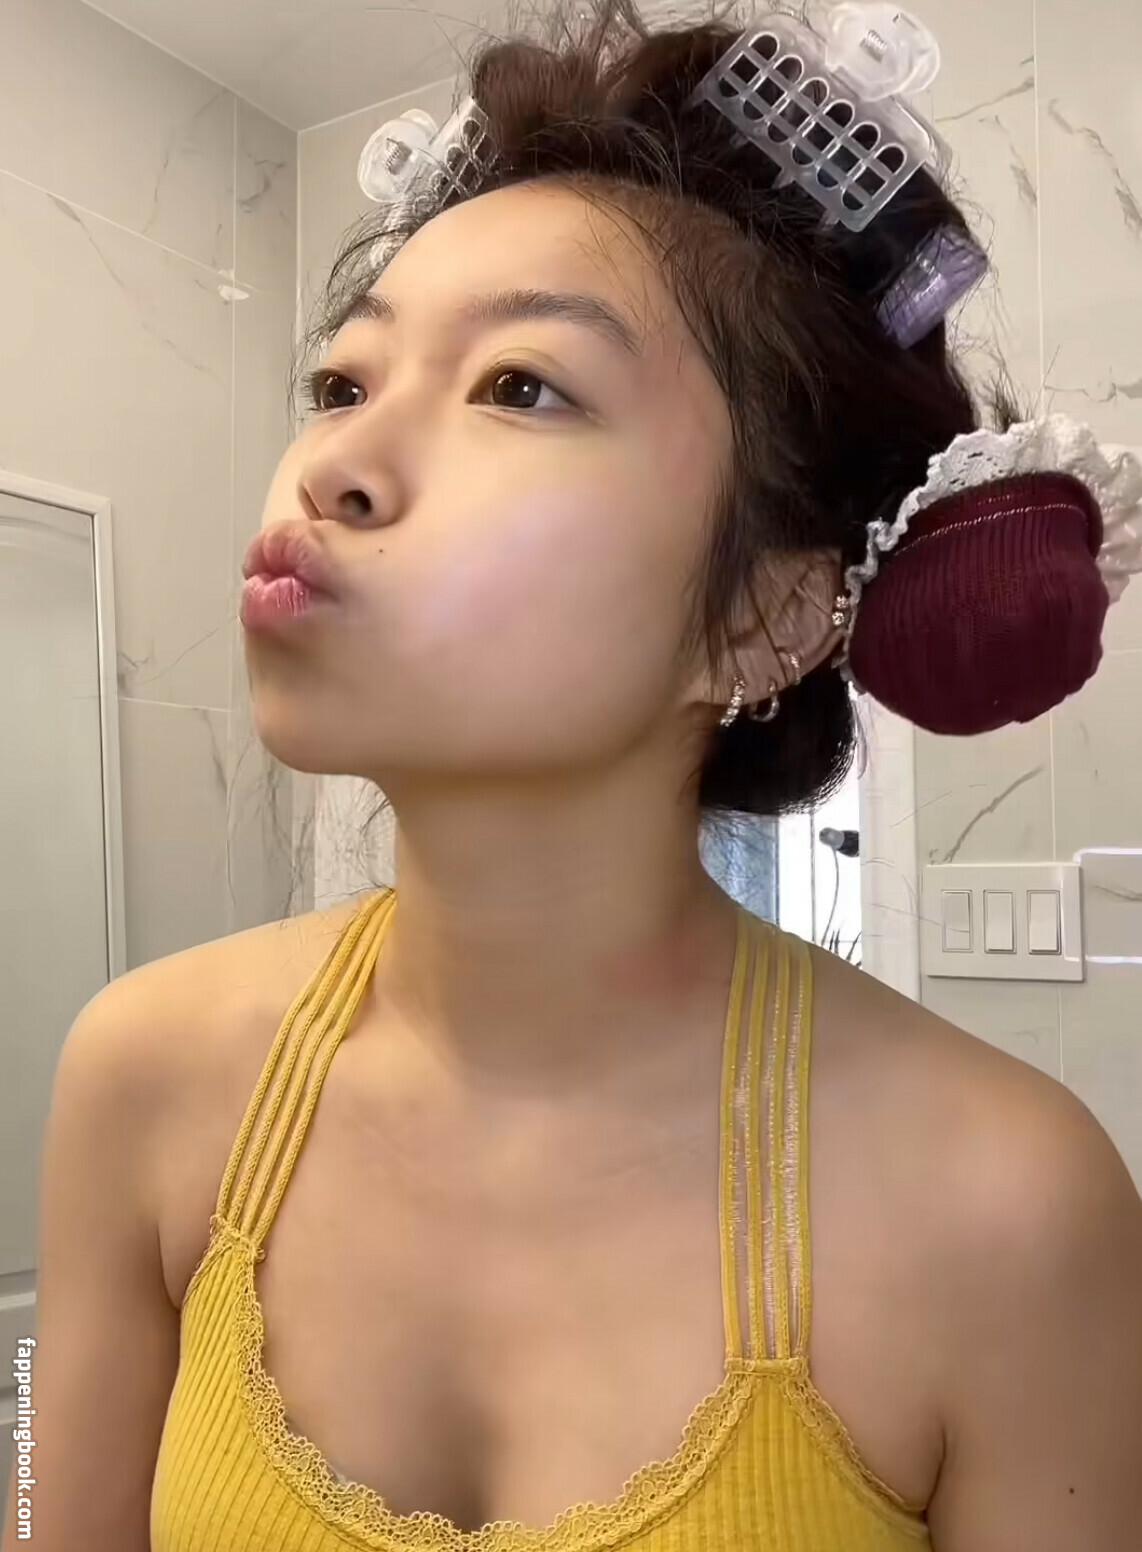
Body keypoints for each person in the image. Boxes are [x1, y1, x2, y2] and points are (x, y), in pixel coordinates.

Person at [6, 4, 1142, 1550]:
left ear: (765, 613)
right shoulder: (143, 1076)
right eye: (341, 385)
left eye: (520, 386)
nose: (332, 465)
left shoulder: (1006, 1204)